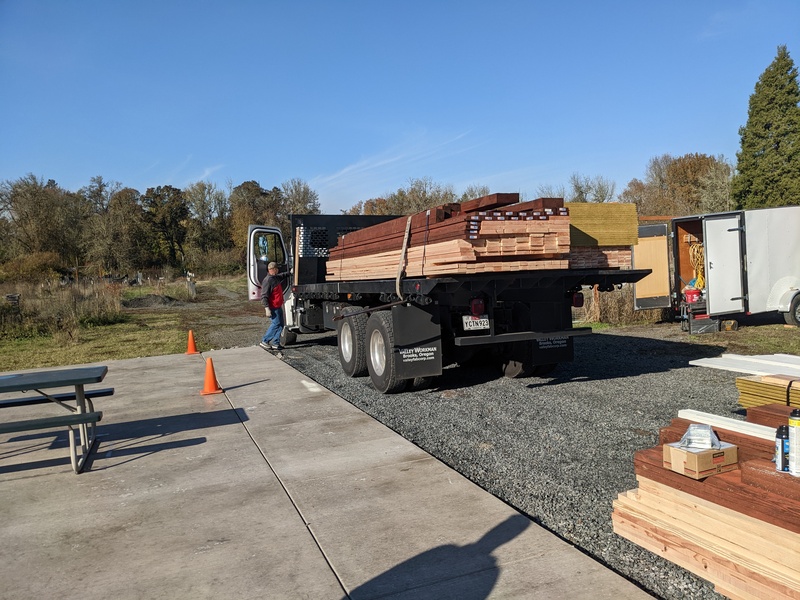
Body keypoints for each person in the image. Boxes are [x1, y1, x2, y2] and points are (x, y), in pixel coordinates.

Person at [259, 261, 290, 355]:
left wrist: (290, 273)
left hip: (278, 305)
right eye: (276, 269)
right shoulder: (268, 280)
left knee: (281, 324)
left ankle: (276, 343)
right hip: (272, 306)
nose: (278, 270)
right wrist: (266, 308)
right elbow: (264, 295)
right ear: (271, 270)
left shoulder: (275, 277)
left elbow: (282, 276)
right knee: (276, 323)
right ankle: (265, 341)